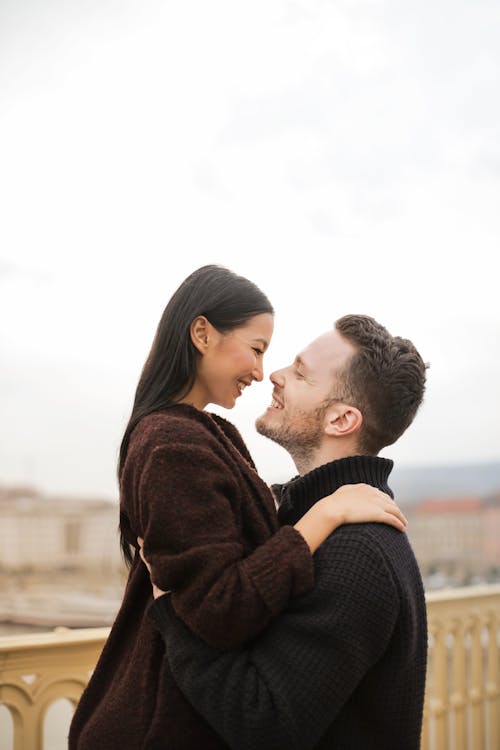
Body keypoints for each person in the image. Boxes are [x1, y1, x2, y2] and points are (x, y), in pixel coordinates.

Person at [68, 268, 405, 750]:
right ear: (202, 333)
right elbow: (220, 610)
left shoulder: (211, 435)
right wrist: (323, 515)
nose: (262, 370)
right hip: (161, 726)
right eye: (257, 347)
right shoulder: (170, 443)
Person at [143, 314, 429, 750]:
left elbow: (262, 723)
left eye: (299, 373)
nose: (272, 375)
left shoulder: (358, 554)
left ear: (340, 420)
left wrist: (172, 610)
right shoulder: (312, 523)